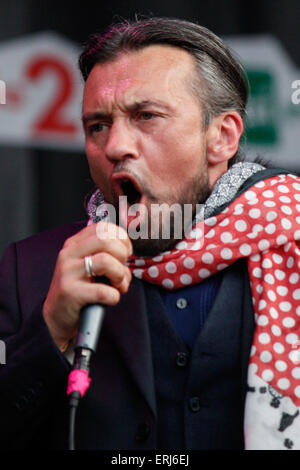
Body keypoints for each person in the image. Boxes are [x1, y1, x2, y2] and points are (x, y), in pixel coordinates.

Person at [0, 17, 299, 451]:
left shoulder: (289, 247)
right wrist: (49, 330)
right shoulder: (28, 270)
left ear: (222, 136)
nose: (115, 146)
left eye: (147, 116)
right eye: (98, 125)